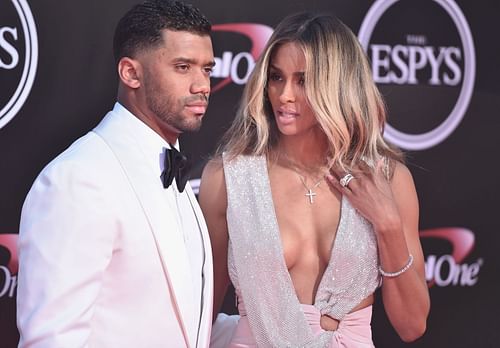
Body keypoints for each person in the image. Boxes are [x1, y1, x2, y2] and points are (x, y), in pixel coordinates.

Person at [199, 11, 430, 347]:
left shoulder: (389, 180)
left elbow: (412, 325)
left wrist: (388, 224)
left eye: (303, 80)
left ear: (338, 85)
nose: (284, 95)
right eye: (277, 78)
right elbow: (200, 311)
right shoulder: (227, 179)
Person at [16, 1, 215, 347]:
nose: (202, 86)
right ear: (130, 73)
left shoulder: (173, 171)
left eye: (207, 70)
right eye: (183, 67)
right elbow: (52, 340)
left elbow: (177, 325)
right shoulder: (78, 179)